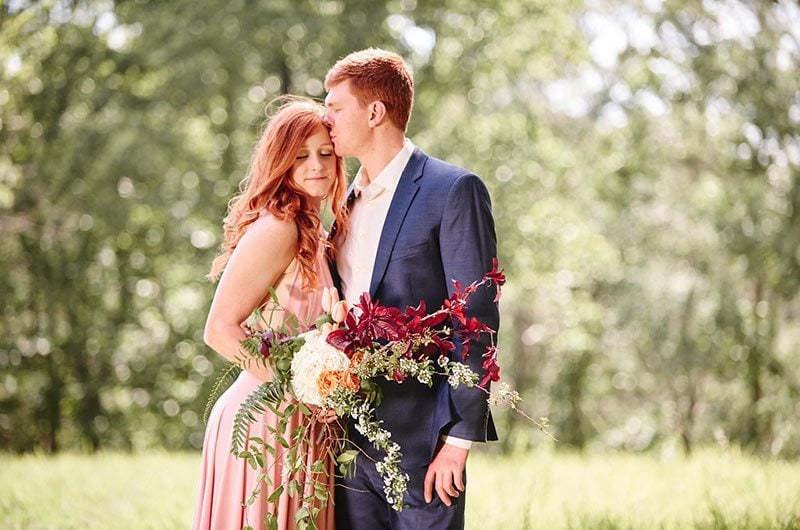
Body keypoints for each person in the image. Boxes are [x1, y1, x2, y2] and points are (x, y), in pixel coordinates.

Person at [324, 48, 499, 530]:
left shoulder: (452, 190)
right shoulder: (342, 201)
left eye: (335, 106)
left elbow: (477, 320)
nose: (326, 118)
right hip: (348, 441)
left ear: (375, 111)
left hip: (426, 446)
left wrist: (458, 440)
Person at [192, 97, 348, 530]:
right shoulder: (278, 228)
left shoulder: (315, 232)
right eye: (300, 156)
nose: (316, 165)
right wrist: (298, 390)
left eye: (324, 153)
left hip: (302, 422)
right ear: (281, 162)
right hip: (264, 423)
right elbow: (219, 330)